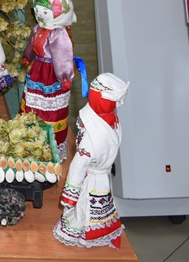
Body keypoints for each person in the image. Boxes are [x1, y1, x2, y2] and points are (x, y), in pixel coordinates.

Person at [53, 72, 129, 249]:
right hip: (100, 175)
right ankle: (99, 231)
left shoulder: (93, 134)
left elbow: (78, 166)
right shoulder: (113, 122)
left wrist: (70, 195)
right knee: (97, 207)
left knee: (84, 208)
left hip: (93, 177)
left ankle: (84, 235)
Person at [19, 0, 77, 160]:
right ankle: (29, 139)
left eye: (44, 12)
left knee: (51, 108)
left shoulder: (59, 34)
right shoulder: (38, 29)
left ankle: (50, 146)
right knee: (32, 104)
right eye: (37, 11)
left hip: (52, 74)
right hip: (38, 70)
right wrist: (27, 57)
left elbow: (63, 58)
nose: (39, 14)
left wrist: (65, 77)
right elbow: (31, 45)